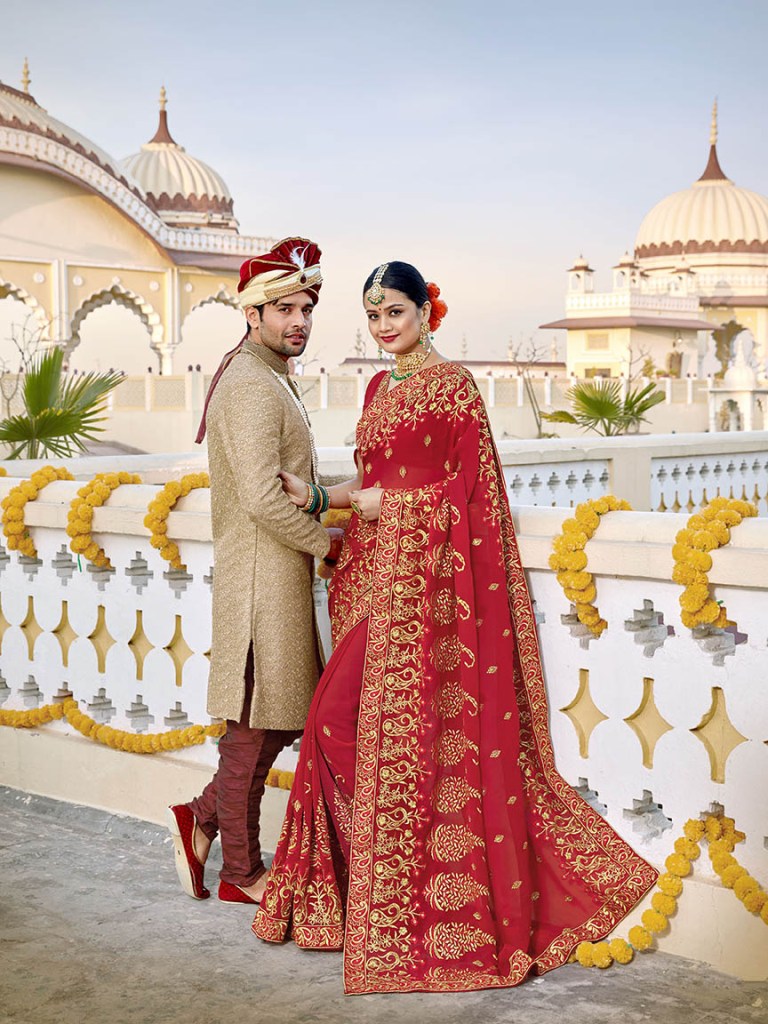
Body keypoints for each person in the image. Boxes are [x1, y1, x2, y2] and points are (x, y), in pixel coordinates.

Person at [252, 261, 657, 993]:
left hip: (427, 589)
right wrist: (319, 495)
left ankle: (406, 895)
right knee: (334, 725)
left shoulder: (455, 387)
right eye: (373, 316)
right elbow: (371, 479)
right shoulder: (380, 388)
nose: (383, 328)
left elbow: (470, 498)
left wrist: (385, 511)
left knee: (345, 725)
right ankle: (372, 890)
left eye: (395, 313)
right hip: (371, 581)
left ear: (425, 312)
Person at [166, 237, 343, 906]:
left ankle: (201, 820)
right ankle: (242, 871)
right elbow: (266, 498)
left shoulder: (268, 376)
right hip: (258, 588)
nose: (297, 322)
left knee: (281, 718)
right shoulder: (248, 384)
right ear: (253, 312)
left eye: (306, 309)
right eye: (284, 309)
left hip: (278, 581)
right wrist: (328, 544)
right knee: (252, 731)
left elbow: (291, 483)